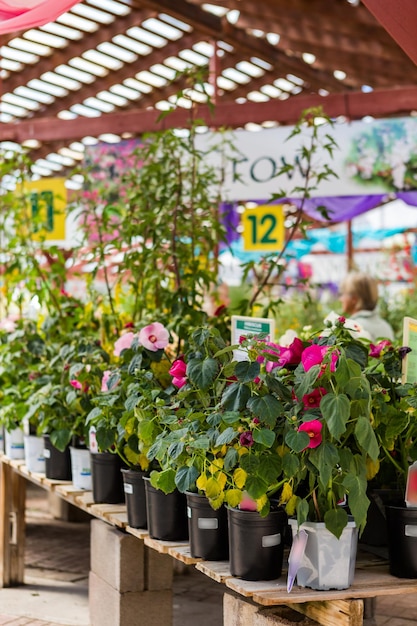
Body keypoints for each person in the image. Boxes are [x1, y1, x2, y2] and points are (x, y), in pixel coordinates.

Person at [338, 271, 394, 342]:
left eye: (342, 294)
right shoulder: (386, 326)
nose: (340, 299)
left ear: (354, 299)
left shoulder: (352, 327)